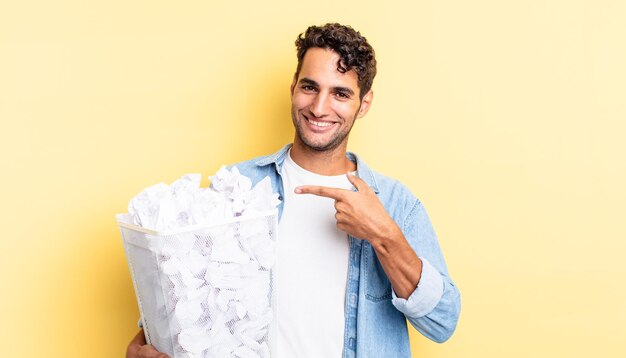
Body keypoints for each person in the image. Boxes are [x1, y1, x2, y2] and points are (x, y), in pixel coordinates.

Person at [126, 23, 461, 358]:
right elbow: (179, 305)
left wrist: (383, 235)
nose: (319, 107)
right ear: (293, 87)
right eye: (310, 87)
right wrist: (144, 347)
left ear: (364, 104)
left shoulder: (397, 203)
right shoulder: (237, 187)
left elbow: (442, 322)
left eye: (340, 94)